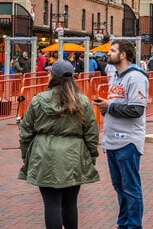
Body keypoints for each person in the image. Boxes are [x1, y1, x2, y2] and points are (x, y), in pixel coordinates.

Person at [19, 60, 100, 229]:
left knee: (51, 203)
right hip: (73, 154)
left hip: (44, 153)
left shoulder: (38, 100)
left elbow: (26, 132)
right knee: (70, 204)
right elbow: (91, 132)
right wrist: (91, 156)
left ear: (53, 77)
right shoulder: (82, 102)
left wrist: (27, 156)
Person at [93, 39, 149, 229]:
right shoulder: (115, 76)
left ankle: (133, 225)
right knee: (119, 187)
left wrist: (110, 106)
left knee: (131, 189)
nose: (108, 53)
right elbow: (117, 104)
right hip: (112, 140)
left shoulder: (136, 77)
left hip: (128, 141)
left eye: (113, 50)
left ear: (123, 55)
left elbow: (136, 110)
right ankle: (123, 223)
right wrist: (105, 107)